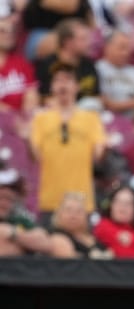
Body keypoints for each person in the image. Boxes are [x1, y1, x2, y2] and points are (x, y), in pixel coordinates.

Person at [28, 62, 105, 223]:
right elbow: (35, 157)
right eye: (57, 80)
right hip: (50, 200)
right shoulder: (40, 119)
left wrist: (105, 149)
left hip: (82, 201)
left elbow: (99, 155)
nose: (63, 85)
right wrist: (25, 139)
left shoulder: (91, 118)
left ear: (77, 86)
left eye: (68, 80)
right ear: (51, 87)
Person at [0, 166, 52, 256]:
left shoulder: (19, 220)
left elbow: (45, 244)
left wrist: (12, 233)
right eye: (0, 198)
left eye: (8, 199)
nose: (3, 203)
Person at [49, 191, 113, 258]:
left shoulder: (93, 236)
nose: (73, 216)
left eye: (79, 211)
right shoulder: (56, 236)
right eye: (68, 210)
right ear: (59, 214)